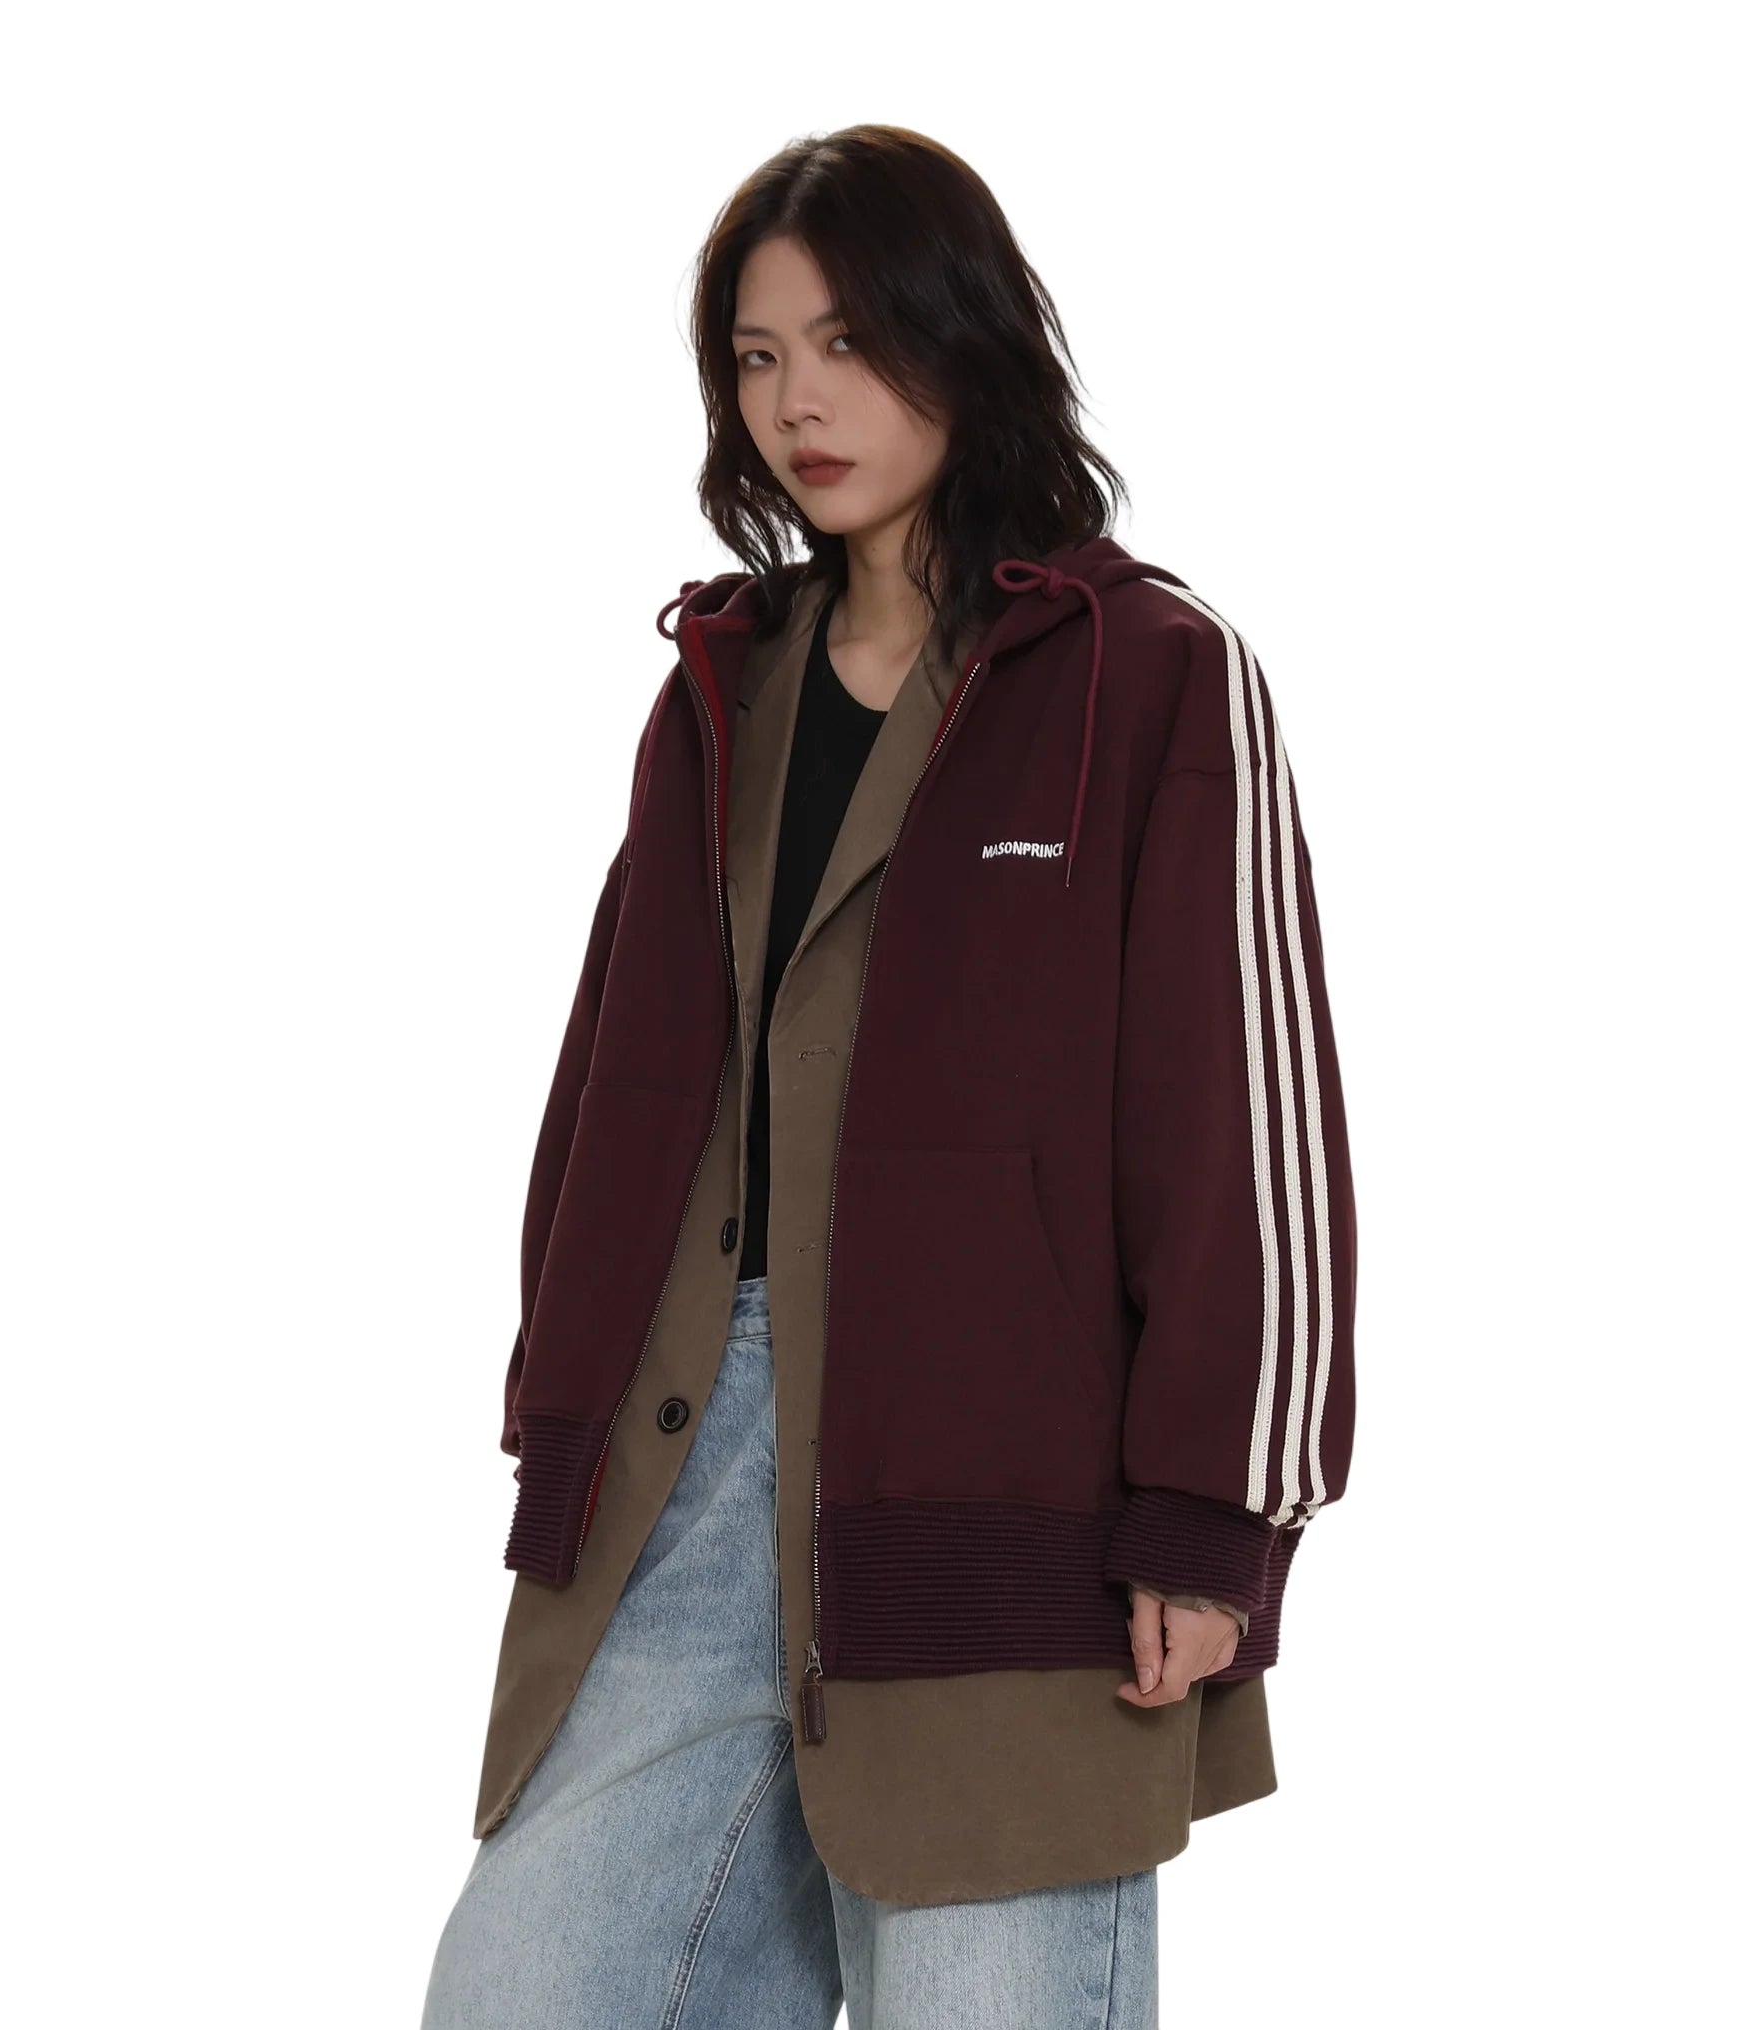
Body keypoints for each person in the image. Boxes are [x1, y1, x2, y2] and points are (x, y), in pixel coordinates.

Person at [421, 124, 1358, 2030]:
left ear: (963, 333)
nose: (797, 404)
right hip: (688, 1462)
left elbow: (1244, 1122)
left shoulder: (1149, 675)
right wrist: (559, 1411)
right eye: (758, 358)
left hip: (1002, 1481)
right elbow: (610, 1090)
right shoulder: (722, 691)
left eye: (848, 342)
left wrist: (1214, 1515)